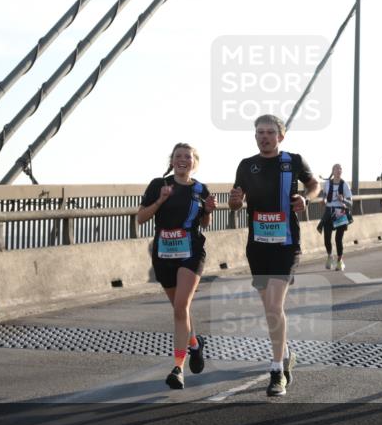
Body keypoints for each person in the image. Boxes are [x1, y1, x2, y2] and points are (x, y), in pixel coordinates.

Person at [230, 114, 319, 397]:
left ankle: (277, 370)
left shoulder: (293, 161)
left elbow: (315, 184)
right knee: (270, 311)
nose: (264, 136)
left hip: (286, 244)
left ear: (281, 136)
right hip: (257, 245)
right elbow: (236, 201)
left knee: (273, 306)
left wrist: (307, 198)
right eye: (259, 132)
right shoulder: (246, 165)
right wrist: (233, 202)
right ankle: (287, 351)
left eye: (270, 132)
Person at [137, 143, 216, 390]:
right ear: (172, 161)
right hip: (163, 253)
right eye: (178, 156)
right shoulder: (158, 185)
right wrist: (160, 200)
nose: (183, 160)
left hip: (191, 252)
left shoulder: (201, 190)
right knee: (180, 309)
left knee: (181, 306)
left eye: (188, 157)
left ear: (195, 162)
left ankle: (178, 368)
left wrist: (209, 211)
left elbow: (205, 223)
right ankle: (195, 344)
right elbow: (141, 218)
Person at [319, 163, 353, 271]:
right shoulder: (327, 184)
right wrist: (324, 200)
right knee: (327, 238)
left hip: (340, 212)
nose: (339, 171)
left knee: (338, 239)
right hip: (329, 211)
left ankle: (339, 261)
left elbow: (350, 203)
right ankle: (330, 256)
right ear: (332, 171)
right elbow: (324, 195)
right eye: (336, 169)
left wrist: (342, 199)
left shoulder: (345, 185)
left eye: (340, 169)